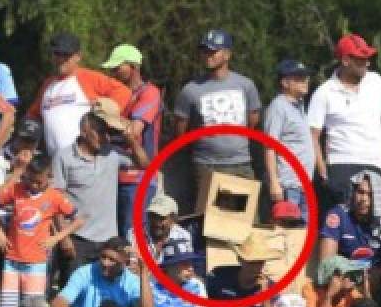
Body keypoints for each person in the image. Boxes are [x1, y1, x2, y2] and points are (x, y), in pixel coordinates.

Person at [52, 108, 147, 276]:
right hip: (77, 238)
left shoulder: (112, 154)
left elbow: (144, 164)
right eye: (100, 132)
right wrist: (63, 237)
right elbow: (56, 198)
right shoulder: (64, 157)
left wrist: (131, 140)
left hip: (108, 240)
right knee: (73, 290)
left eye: (108, 133)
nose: (105, 137)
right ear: (84, 130)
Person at [0, 153, 82, 307]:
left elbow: (78, 220)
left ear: (49, 178)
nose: (34, 186)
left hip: (36, 262)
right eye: (31, 181)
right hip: (12, 259)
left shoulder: (54, 196)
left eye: (39, 182)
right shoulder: (16, 189)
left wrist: (56, 237)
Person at [173, 28, 261, 203]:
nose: (208, 55)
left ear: (227, 54)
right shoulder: (190, 90)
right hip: (206, 165)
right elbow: (181, 129)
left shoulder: (245, 85)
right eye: (205, 51)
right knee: (208, 221)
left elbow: (253, 119)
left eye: (213, 51)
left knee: (246, 219)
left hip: (240, 163)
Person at [308, 32, 381, 206]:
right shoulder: (324, 92)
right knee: (342, 221)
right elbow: (313, 136)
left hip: (376, 163)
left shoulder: (377, 82)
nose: (366, 63)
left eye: (367, 58)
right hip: (341, 164)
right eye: (360, 59)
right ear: (345, 60)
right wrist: (322, 167)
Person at [27, 32, 130, 158]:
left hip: (86, 161)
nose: (60, 59)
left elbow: (123, 92)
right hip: (56, 163)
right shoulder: (47, 85)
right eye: (57, 54)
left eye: (66, 55)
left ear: (78, 56)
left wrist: (104, 113)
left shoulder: (88, 78)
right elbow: (32, 116)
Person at [100, 43, 162, 235]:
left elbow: (134, 130)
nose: (113, 72)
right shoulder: (116, 95)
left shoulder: (149, 93)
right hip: (112, 176)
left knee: (132, 237)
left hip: (137, 178)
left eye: (118, 67)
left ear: (133, 67)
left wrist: (107, 117)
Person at [317, 175, 381, 304]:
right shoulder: (338, 215)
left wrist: (373, 276)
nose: (363, 199)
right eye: (360, 192)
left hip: (374, 279)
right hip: (344, 279)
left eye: (370, 195)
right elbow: (326, 262)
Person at [263, 59, 315, 219]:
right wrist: (274, 182)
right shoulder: (278, 106)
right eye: (299, 78)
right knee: (286, 235)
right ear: (285, 82)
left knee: (302, 236)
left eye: (306, 77)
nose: (305, 81)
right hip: (287, 184)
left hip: (303, 185)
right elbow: (269, 146)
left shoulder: (299, 106)